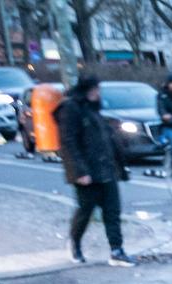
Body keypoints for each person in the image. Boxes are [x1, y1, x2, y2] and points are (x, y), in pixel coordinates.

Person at [54, 75, 134, 268]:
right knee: (85, 211)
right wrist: (79, 171)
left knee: (112, 211)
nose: (99, 93)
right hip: (87, 171)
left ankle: (116, 250)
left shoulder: (93, 109)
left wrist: (119, 164)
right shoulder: (71, 108)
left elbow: (105, 139)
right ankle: (75, 243)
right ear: (88, 89)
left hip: (106, 168)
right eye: (96, 89)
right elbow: (68, 142)